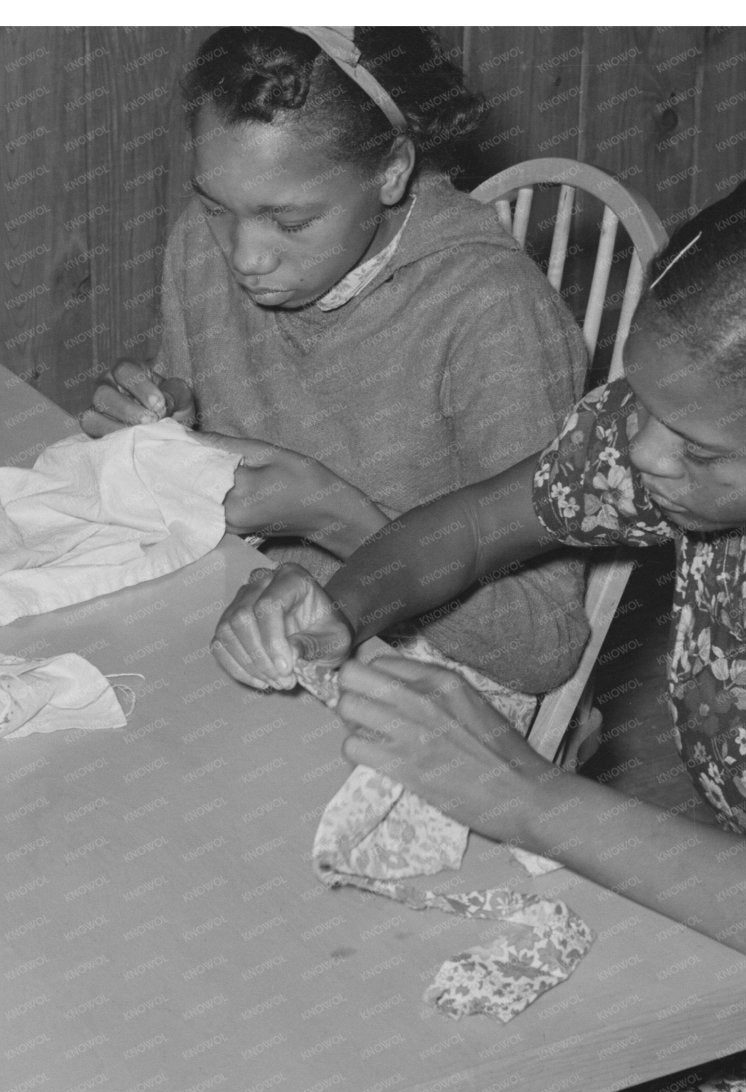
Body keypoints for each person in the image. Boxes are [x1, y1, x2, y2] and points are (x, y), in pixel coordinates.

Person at [198, 161, 746, 1092]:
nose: (649, 461)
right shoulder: (683, 442)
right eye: (639, 403)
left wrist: (530, 799)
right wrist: (340, 604)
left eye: (699, 451)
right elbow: (476, 524)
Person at [84, 26, 590, 697]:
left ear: (391, 171)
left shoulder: (491, 314)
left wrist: (330, 514)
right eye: (214, 207)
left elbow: (540, 645)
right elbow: (192, 494)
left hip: (433, 673)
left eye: (290, 223)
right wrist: (167, 427)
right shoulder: (202, 249)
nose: (245, 256)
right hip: (243, 612)